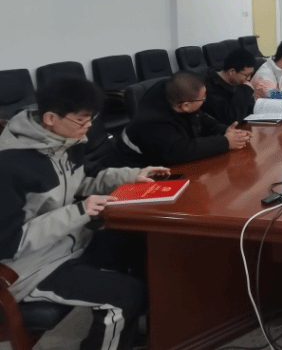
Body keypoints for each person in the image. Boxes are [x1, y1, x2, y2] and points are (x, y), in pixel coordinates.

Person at [0, 77, 170, 350]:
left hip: (67, 244)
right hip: (28, 270)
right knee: (124, 295)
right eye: (82, 120)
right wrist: (78, 211)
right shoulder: (9, 167)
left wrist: (132, 176)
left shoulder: (63, 142)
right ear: (51, 118)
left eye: (92, 118)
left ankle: (125, 335)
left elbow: (81, 182)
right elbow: (8, 243)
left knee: (139, 244)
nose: (89, 126)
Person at [117, 71, 251, 167]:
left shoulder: (178, 96)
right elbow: (181, 151)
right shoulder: (153, 122)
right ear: (185, 106)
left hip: (167, 159)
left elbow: (201, 119)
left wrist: (226, 131)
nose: (205, 100)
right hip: (139, 169)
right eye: (203, 98)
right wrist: (225, 142)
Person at [203, 47, 257, 125]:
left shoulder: (237, 82)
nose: (248, 78)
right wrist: (245, 90)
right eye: (247, 75)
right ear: (232, 72)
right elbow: (232, 120)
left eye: (251, 74)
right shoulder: (209, 88)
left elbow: (249, 108)